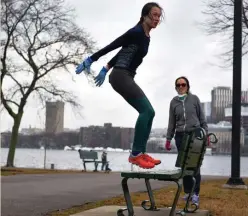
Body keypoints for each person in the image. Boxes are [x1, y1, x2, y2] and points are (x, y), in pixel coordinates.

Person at [75, 2, 164, 169]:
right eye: (154, 14)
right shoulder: (136, 32)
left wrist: (106, 68)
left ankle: (141, 153)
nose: (157, 18)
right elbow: (114, 44)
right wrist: (91, 59)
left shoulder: (145, 36)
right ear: (144, 15)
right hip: (121, 76)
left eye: (159, 16)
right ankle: (135, 155)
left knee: (150, 113)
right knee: (146, 111)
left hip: (125, 75)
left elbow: (123, 51)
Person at [165, 76, 209, 206]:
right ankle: (187, 192)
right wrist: (168, 138)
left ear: (187, 86)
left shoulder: (194, 99)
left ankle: (195, 194)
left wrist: (205, 134)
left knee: (195, 166)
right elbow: (171, 122)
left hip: (195, 135)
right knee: (184, 166)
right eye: (178, 85)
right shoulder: (173, 102)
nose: (181, 87)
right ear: (176, 87)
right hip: (180, 136)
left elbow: (202, 118)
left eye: (183, 85)